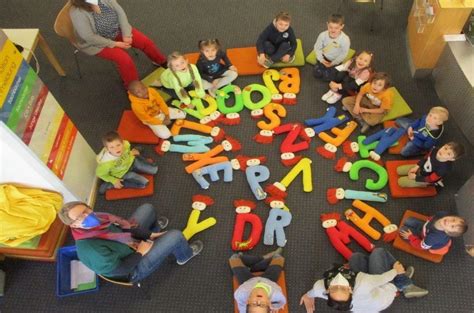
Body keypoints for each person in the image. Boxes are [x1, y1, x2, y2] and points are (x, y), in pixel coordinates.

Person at [57, 202, 203, 283]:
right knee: (176, 235)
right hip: (132, 268)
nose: (87, 215)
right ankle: (185, 255)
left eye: (86, 210)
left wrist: (150, 235)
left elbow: (123, 231)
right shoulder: (91, 249)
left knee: (147, 208)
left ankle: (154, 231)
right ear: (74, 225)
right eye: (80, 217)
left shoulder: (99, 219)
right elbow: (120, 270)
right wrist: (140, 252)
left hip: (128, 243)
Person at [69, 0, 166, 88]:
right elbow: (89, 37)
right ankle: (133, 88)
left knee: (145, 42)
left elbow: (120, 12)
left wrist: (126, 34)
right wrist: (115, 44)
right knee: (124, 59)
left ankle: (161, 61)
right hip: (96, 43)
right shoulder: (77, 13)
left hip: (115, 29)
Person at [300, 248, 428, 313]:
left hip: (369, 302)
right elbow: (383, 278)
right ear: (350, 289)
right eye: (343, 288)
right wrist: (397, 271)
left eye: (334, 287)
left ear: (327, 291)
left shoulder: (320, 287)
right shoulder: (363, 283)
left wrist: (307, 296)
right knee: (378, 252)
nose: (338, 282)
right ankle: (404, 284)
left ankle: (400, 281)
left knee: (356, 258)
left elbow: (314, 292)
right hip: (384, 291)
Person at [397, 142, 465, 188]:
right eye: (445, 148)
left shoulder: (443, 169)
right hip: (422, 168)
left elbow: (430, 179)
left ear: (452, 159)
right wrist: (416, 166)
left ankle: (428, 185)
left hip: (426, 179)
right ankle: (418, 173)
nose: (443, 151)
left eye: (448, 154)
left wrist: (415, 177)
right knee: (398, 170)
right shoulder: (435, 149)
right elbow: (426, 158)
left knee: (400, 182)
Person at [400, 211, 467, 254]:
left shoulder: (433, 238)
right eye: (453, 219)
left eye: (452, 226)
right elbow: (431, 219)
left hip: (425, 238)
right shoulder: (442, 214)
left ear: (447, 232)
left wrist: (410, 237)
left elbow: (421, 246)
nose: (449, 222)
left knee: (401, 230)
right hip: (426, 228)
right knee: (408, 220)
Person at [313, 14, 351, 81]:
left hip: (335, 61)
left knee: (328, 78)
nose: (333, 30)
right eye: (330, 27)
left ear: (342, 26)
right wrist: (321, 60)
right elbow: (317, 48)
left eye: (336, 28)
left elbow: (343, 54)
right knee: (316, 74)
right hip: (323, 58)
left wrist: (333, 63)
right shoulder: (322, 35)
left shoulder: (345, 39)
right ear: (327, 24)